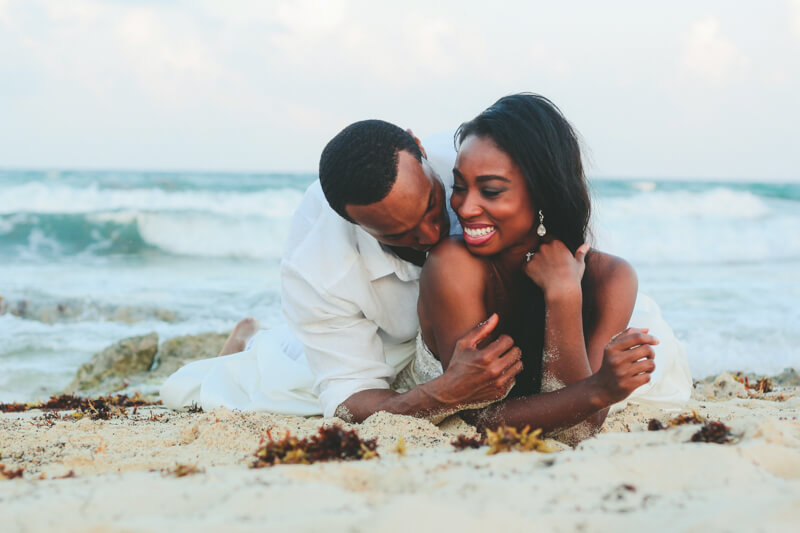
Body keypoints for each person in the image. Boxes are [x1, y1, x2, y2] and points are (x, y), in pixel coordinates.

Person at [416, 93, 692, 435]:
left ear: (543, 194)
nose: (465, 207)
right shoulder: (452, 265)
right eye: (459, 186)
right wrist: (597, 389)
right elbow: (476, 414)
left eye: (491, 191)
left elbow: (579, 430)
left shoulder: (611, 277)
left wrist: (563, 296)